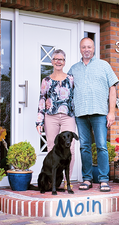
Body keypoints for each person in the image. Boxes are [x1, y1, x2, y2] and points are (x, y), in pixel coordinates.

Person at [68, 37, 119, 192]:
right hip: (81, 113)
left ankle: (104, 180)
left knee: (102, 146)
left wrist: (111, 112)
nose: (86, 49)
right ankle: (87, 179)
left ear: (94, 48)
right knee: (84, 147)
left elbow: (113, 89)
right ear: (80, 49)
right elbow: (68, 91)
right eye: (84, 47)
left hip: (100, 112)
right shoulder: (73, 69)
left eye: (89, 47)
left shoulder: (104, 66)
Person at [36, 49, 76, 189]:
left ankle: (67, 182)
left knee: (70, 148)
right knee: (52, 148)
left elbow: (75, 97)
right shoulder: (46, 80)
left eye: (61, 59)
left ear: (64, 62)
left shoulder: (71, 78)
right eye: (56, 59)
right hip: (50, 116)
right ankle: (52, 182)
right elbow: (42, 99)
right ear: (52, 61)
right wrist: (39, 121)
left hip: (68, 116)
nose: (58, 61)